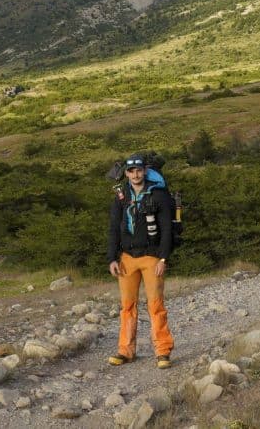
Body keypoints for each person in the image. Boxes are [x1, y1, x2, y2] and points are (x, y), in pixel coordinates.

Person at [107, 153, 175, 368]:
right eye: (131, 171)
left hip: (152, 257)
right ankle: (125, 351)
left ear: (145, 171)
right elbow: (113, 229)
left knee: (155, 305)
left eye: (139, 170)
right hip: (127, 258)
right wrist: (112, 258)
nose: (135, 174)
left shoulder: (159, 195)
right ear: (126, 173)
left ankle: (163, 352)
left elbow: (167, 229)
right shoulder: (121, 196)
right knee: (127, 306)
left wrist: (163, 258)